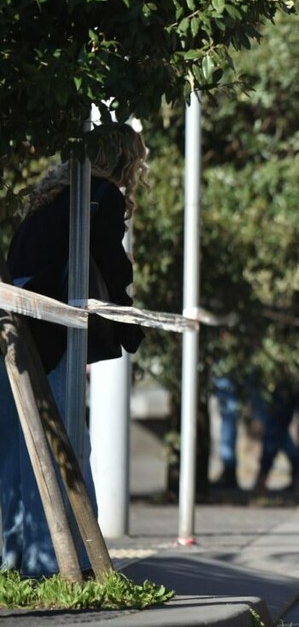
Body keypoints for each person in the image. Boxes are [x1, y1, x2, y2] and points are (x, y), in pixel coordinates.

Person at [1, 122, 148, 576]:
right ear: (123, 160)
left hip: (11, 325)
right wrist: (129, 326)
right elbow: (112, 263)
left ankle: (16, 561)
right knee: (65, 446)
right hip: (50, 328)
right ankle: (63, 563)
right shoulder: (99, 196)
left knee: (16, 449)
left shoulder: (47, 199)